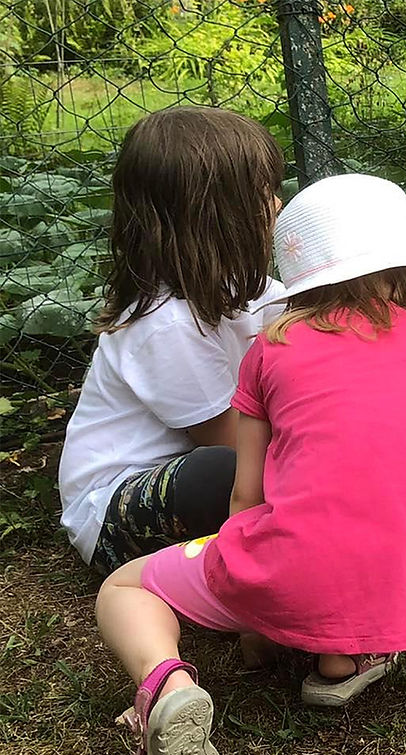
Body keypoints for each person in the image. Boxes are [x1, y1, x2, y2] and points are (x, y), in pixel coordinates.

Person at [95, 174, 406, 755]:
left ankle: (164, 686)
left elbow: (245, 492)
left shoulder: (271, 348)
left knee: (126, 588)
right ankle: (341, 663)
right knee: (387, 528)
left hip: (299, 564)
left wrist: (248, 593)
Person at [59, 106, 286, 576]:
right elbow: (230, 441)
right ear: (217, 215)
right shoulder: (165, 324)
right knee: (230, 470)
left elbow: (321, 314)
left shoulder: (244, 289)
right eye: (264, 193)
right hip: (119, 513)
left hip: (216, 472)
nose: (277, 205)